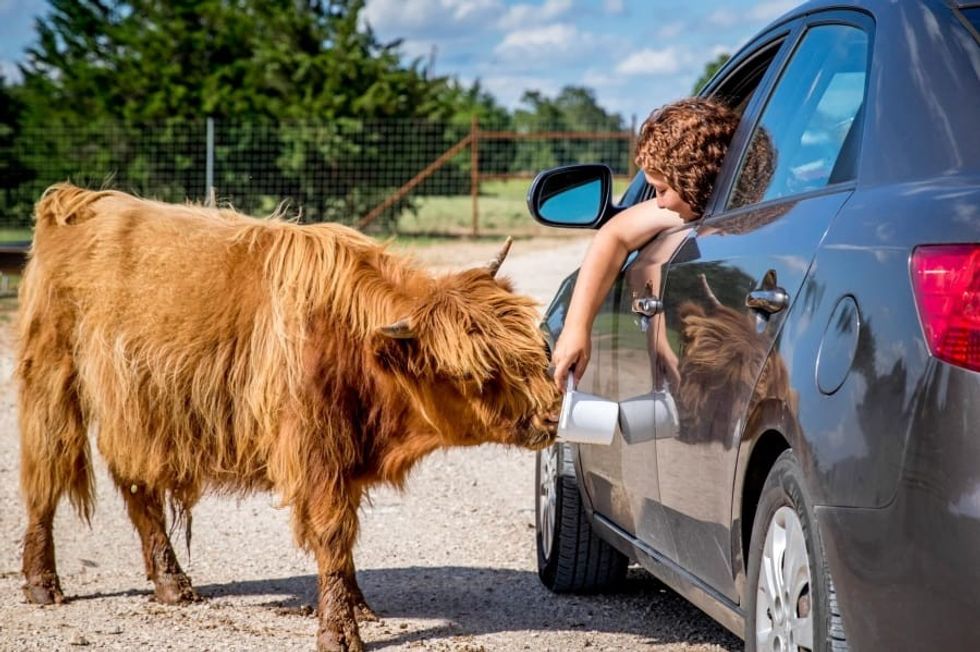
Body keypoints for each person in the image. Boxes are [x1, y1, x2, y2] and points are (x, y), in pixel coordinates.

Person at [551, 97, 742, 392]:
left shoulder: (713, 210)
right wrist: (577, 328)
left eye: (662, 189)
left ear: (693, 177)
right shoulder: (697, 207)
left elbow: (616, 232)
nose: (661, 203)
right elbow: (615, 233)